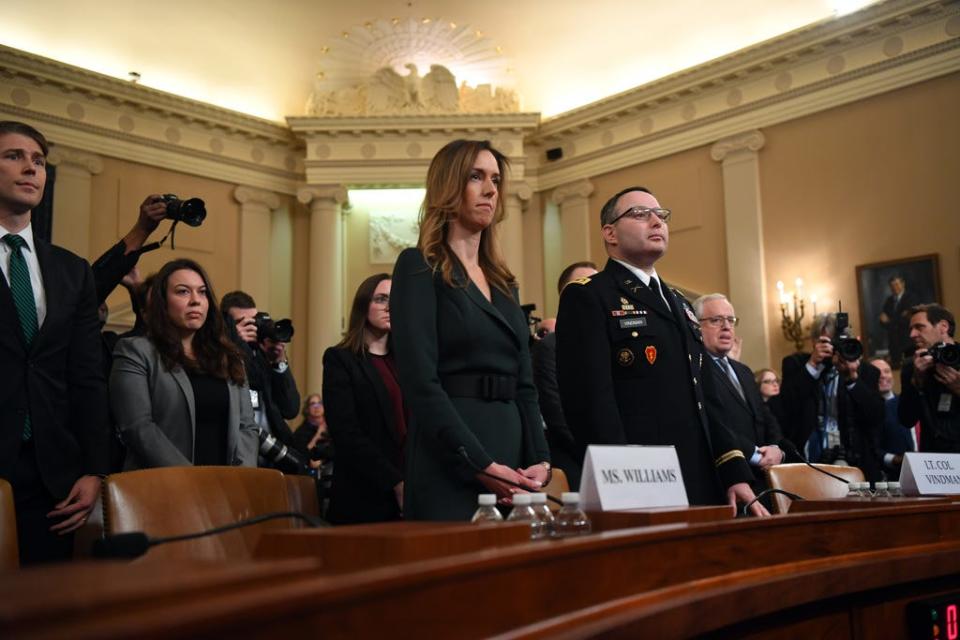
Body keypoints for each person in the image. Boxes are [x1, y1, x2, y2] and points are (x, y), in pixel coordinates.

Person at [557, 186, 765, 515]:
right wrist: (623, 481)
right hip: (643, 480)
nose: (656, 221)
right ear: (610, 233)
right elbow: (590, 402)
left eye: (661, 215)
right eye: (640, 214)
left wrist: (733, 471)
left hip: (703, 479)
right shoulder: (590, 296)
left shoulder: (680, 304)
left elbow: (708, 397)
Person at [391, 139, 550, 521]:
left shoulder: (503, 282)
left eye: (496, 179)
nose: (491, 190)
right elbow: (419, 383)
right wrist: (478, 462)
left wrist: (540, 458)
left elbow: (525, 384)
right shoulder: (418, 266)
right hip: (450, 456)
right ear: (449, 186)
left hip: (512, 459)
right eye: (476, 177)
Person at [0, 121, 109, 564]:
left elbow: (86, 376)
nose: (31, 168)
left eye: (39, 161)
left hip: (54, 478)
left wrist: (95, 469)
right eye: (14, 156)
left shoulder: (72, 270)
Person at [110, 258, 259, 469]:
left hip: (227, 489)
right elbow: (138, 428)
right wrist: (191, 480)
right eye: (183, 292)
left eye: (202, 292)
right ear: (162, 301)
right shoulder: (135, 351)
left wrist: (241, 478)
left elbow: (246, 427)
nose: (195, 300)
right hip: (165, 487)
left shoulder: (230, 357)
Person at [323, 274, 406, 524]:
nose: (390, 306)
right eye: (381, 299)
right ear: (363, 305)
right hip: (364, 492)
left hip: (411, 487)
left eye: (395, 299)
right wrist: (394, 481)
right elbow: (346, 431)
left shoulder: (406, 362)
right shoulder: (341, 359)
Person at [694, 294, 784, 495]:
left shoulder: (743, 370)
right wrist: (755, 455)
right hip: (727, 480)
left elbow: (765, 417)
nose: (726, 327)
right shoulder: (696, 370)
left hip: (765, 480)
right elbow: (715, 424)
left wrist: (776, 448)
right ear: (696, 326)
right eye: (716, 320)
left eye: (730, 320)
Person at [779, 314, 885, 481]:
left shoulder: (866, 371)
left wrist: (852, 378)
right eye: (826, 342)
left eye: (838, 343)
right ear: (814, 342)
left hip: (856, 462)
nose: (834, 348)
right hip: (807, 460)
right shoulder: (796, 364)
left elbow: (876, 417)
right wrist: (813, 366)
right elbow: (784, 408)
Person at [531, 260, 597, 490]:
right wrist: (593, 454)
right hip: (574, 459)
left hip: (616, 460)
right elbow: (554, 411)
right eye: (583, 283)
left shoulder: (613, 345)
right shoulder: (550, 347)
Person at [221, 290, 301, 472]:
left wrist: (278, 362)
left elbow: (290, 409)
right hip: (238, 459)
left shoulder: (262, 358)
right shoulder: (220, 355)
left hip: (273, 459)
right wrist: (233, 342)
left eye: (254, 321)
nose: (252, 328)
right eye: (243, 323)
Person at [898, 304, 960, 453]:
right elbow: (906, 420)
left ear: (943, 327)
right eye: (911, 329)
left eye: (919, 327)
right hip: (932, 460)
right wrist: (917, 382)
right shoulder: (911, 367)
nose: (912, 334)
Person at [869, 357, 914, 477]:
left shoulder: (906, 403)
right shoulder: (863, 408)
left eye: (887, 371)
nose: (883, 376)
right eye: (877, 372)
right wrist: (894, 459)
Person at [878, 275, 919, 367]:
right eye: (892, 285)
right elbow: (882, 322)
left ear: (903, 284)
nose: (894, 287)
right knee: (897, 370)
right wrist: (898, 318)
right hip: (893, 344)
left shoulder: (911, 298)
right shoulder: (888, 301)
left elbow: (907, 320)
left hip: (908, 342)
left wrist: (889, 320)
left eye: (896, 284)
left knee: (910, 368)